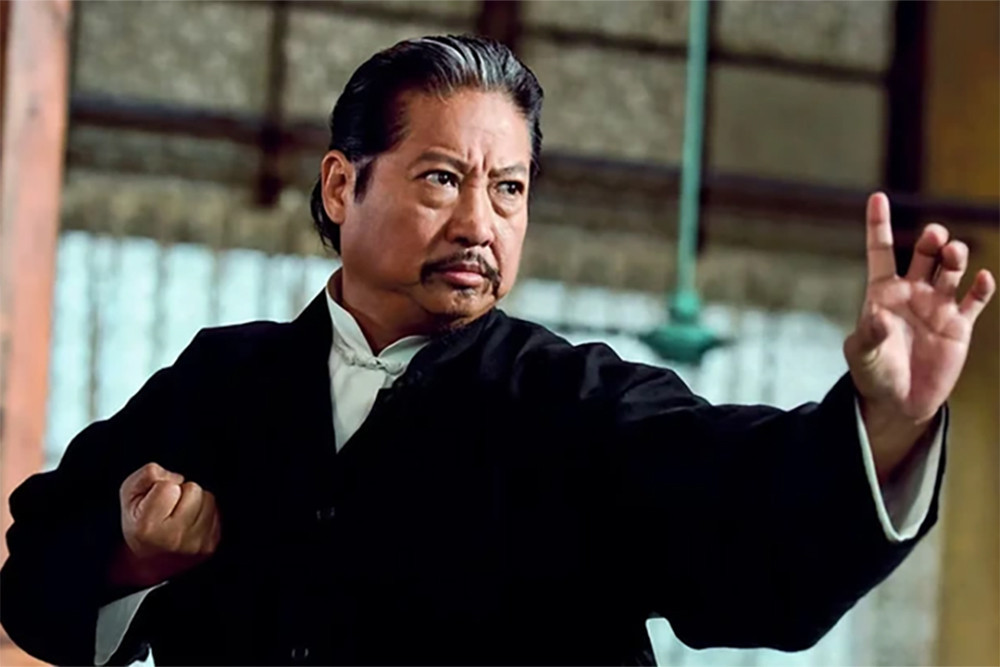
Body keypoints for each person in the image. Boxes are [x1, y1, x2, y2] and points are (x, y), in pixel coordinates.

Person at [1, 34, 995, 666]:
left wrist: (888, 418)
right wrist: (130, 556)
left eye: (509, 189)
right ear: (343, 186)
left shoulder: (578, 405)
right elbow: (34, 581)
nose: (481, 223)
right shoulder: (221, 382)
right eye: (442, 177)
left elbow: (749, 521)